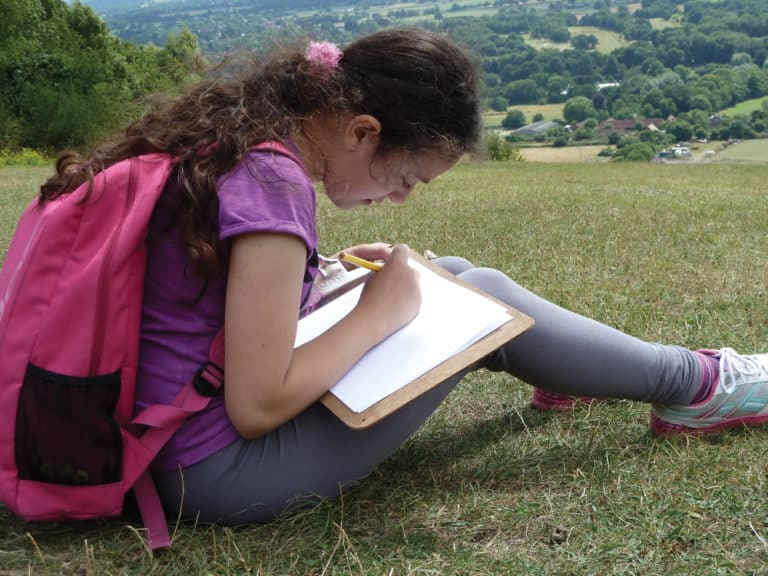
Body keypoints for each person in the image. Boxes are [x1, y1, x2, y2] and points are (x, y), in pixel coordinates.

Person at [41, 28, 768, 526]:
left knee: (447, 273)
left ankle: (584, 367)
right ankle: (695, 388)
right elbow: (257, 405)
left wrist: (324, 277)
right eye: (406, 178)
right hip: (213, 472)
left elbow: (197, 299)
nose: (400, 196)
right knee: (469, 297)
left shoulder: (239, 141)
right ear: (362, 131)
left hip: (153, 434)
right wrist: (375, 314)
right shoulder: (272, 184)